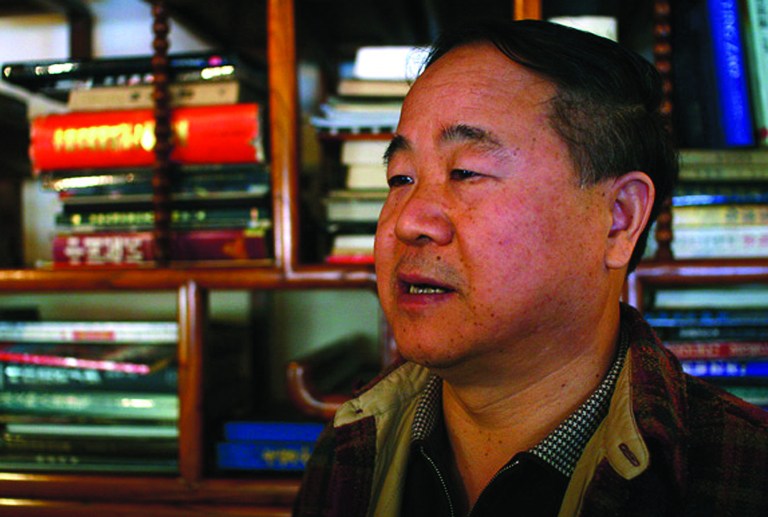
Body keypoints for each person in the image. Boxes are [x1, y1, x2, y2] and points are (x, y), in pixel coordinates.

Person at [293, 19, 768, 517]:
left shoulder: (738, 475)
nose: (408, 220)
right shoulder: (355, 444)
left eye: (466, 172)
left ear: (618, 220)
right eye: (400, 177)